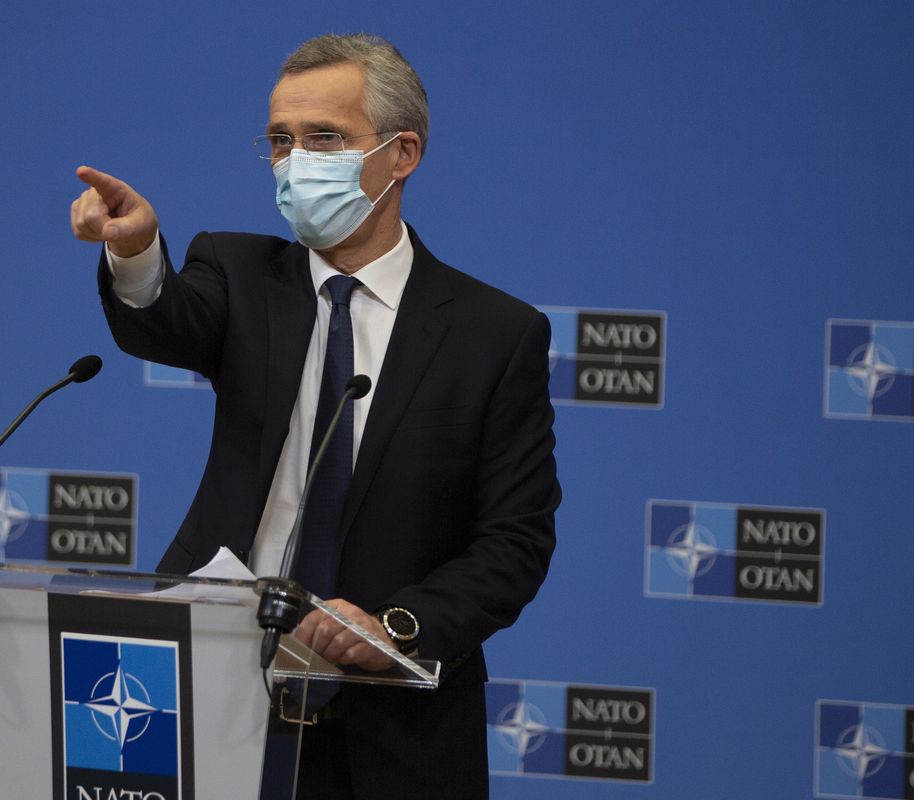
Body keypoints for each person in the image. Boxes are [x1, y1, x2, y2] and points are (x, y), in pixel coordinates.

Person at [70, 32, 559, 800]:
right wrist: (133, 255)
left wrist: (392, 627)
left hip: (389, 731)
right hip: (208, 701)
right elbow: (164, 318)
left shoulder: (495, 335)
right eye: (280, 141)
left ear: (402, 155)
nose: (296, 161)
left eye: (324, 138)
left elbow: (514, 542)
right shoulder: (238, 273)